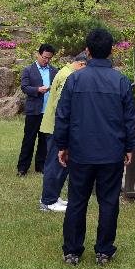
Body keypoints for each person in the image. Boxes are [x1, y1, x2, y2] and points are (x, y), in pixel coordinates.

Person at [55, 28, 135, 267]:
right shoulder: (121, 80)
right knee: (109, 201)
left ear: (87, 51)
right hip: (111, 152)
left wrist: (62, 144)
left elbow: (63, 115)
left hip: (80, 152)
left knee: (77, 200)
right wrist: (130, 146)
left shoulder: (75, 78)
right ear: (111, 50)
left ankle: (72, 251)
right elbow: (129, 118)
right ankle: (103, 251)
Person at [38, 51, 88, 212]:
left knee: (58, 163)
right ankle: (48, 201)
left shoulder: (65, 71)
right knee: (56, 164)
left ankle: (53, 196)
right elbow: (62, 107)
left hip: (55, 126)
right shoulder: (68, 76)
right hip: (56, 127)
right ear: (81, 64)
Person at [18, 44, 58, 176]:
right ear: (38, 54)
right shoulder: (28, 70)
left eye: (49, 58)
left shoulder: (54, 71)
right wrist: (37, 90)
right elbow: (24, 87)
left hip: (47, 112)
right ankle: (22, 167)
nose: (46, 60)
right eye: (45, 57)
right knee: (29, 140)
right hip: (33, 111)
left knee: (44, 141)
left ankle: (40, 166)